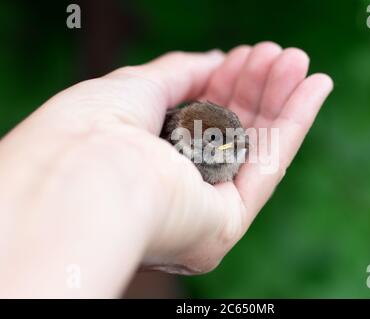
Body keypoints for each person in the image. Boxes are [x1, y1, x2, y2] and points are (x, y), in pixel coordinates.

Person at [0, 42, 333, 298]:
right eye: (222, 144)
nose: (237, 150)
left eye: (236, 143)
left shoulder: (228, 141)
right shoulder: (177, 142)